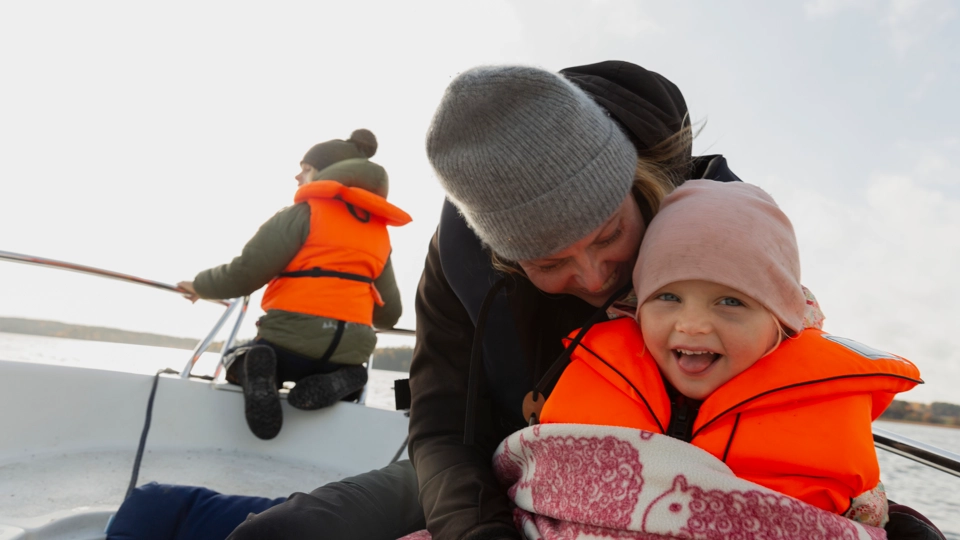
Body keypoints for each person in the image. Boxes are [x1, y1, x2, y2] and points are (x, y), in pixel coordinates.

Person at [227, 62, 945, 540]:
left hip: (669, 486)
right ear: (504, 257)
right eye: (549, 263)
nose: (596, 275)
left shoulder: (717, 235)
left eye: (610, 236)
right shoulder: (459, 259)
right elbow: (442, 426)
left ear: (641, 189)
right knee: (273, 534)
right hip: (489, 471)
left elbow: (785, 416)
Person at [539, 180, 923, 528]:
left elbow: (869, 520)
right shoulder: (597, 372)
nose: (692, 325)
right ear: (635, 309)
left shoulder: (826, 405)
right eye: (668, 297)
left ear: (779, 321)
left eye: (730, 302)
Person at [178, 129, 411, 440]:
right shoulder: (379, 235)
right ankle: (347, 379)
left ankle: (256, 369)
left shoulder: (302, 214)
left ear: (325, 172)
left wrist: (199, 286)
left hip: (287, 345)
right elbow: (389, 314)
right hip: (348, 353)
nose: (297, 176)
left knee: (238, 357)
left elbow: (244, 273)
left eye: (305, 168)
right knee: (341, 379)